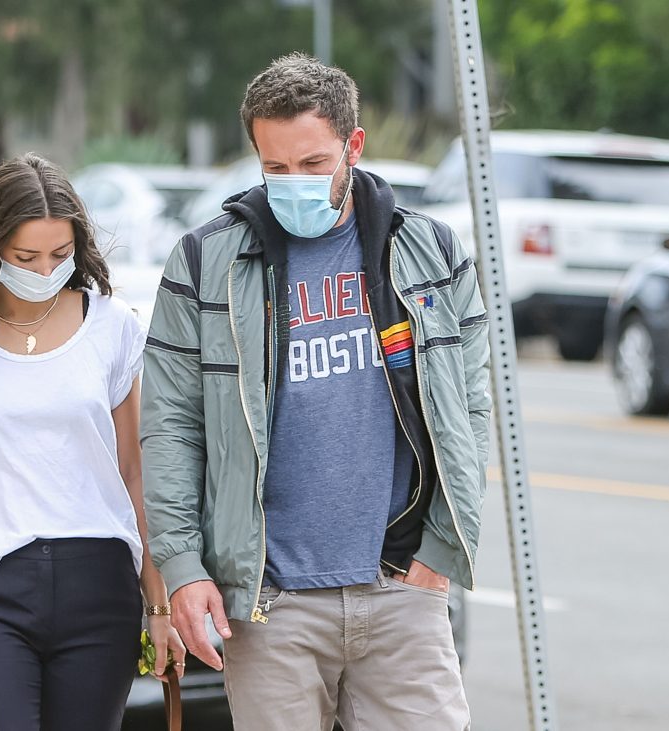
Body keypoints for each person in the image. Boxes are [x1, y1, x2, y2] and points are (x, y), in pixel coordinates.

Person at [141, 53, 491, 730]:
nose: (292, 181)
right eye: (274, 168)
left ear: (353, 147)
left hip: (400, 589)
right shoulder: (202, 263)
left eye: (312, 164)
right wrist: (183, 568)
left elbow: (469, 414)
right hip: (271, 602)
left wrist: (440, 554)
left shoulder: (432, 254)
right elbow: (171, 427)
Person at [0, 153, 185, 731]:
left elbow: (136, 474)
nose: (44, 269)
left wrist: (158, 604)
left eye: (60, 255)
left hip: (99, 585)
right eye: (25, 257)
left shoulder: (114, 327)